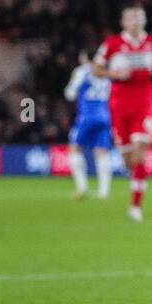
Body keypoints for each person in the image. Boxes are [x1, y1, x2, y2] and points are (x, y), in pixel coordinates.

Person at [94, 4, 152, 222]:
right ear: (123, 22)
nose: (136, 21)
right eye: (131, 18)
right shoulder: (112, 44)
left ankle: (136, 205)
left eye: (139, 17)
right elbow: (96, 69)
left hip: (145, 101)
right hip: (119, 103)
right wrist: (114, 73)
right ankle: (133, 172)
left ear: (145, 20)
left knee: (141, 151)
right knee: (129, 158)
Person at [64, 52, 114, 200]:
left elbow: (70, 94)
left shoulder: (82, 71)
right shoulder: (106, 73)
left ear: (84, 57)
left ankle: (82, 187)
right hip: (105, 116)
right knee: (102, 152)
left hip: (87, 117)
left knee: (75, 148)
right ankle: (104, 192)